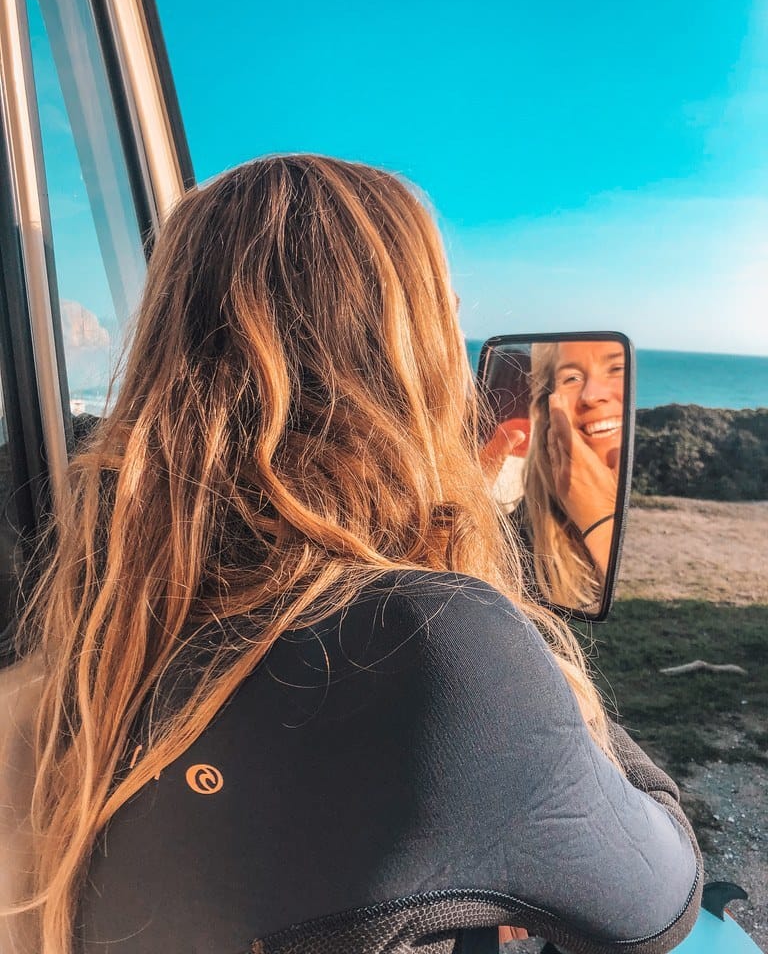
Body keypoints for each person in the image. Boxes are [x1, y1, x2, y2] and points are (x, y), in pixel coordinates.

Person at [3, 156, 700, 954]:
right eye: (444, 315)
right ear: (408, 357)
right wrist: (484, 584)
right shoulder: (432, 644)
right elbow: (657, 900)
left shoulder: (100, 622)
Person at [518, 339, 625, 611]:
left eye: (616, 369)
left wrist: (601, 521)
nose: (592, 395)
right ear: (546, 409)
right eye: (572, 377)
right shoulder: (520, 540)